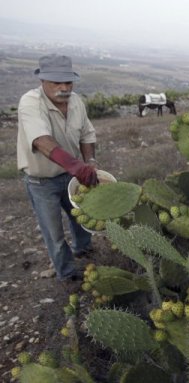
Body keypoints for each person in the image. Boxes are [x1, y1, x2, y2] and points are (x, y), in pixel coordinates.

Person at [17, 54, 99, 283]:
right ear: (42, 81)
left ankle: (84, 248)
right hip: (42, 182)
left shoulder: (76, 101)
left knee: (80, 217)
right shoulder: (31, 102)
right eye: (56, 82)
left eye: (68, 82)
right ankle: (67, 273)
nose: (63, 88)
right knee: (53, 232)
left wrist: (89, 162)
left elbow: (87, 134)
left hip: (72, 177)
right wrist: (75, 164)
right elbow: (41, 140)